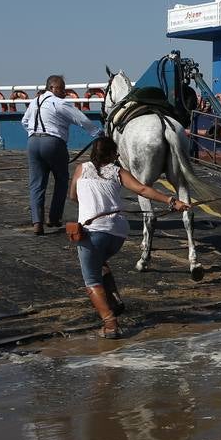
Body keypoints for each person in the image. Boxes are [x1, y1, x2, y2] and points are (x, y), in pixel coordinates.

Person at [67, 136, 187, 338]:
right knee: (101, 261)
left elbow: (72, 196)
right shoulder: (117, 172)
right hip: (118, 233)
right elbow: (142, 188)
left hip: (93, 231)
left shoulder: (81, 169)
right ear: (111, 154)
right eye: (116, 153)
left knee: (92, 281)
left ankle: (110, 324)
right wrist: (171, 201)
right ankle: (114, 299)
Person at [22, 75, 102, 235]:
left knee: (36, 184)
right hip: (53, 143)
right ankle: (54, 217)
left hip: (32, 143)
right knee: (61, 180)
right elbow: (81, 119)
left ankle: (37, 222)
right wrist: (99, 133)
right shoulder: (59, 103)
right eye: (61, 88)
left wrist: (35, 133)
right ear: (51, 87)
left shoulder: (34, 102)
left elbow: (24, 121)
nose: (64, 91)